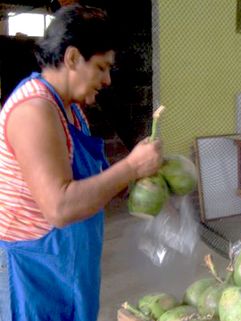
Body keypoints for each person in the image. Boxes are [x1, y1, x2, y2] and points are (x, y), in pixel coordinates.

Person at [0, 4, 163, 321]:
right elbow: (59, 207)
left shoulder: (70, 109)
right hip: (32, 273)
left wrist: (146, 178)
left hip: (67, 264)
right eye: (102, 67)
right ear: (72, 58)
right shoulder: (34, 110)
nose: (107, 81)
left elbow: (94, 186)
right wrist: (130, 167)